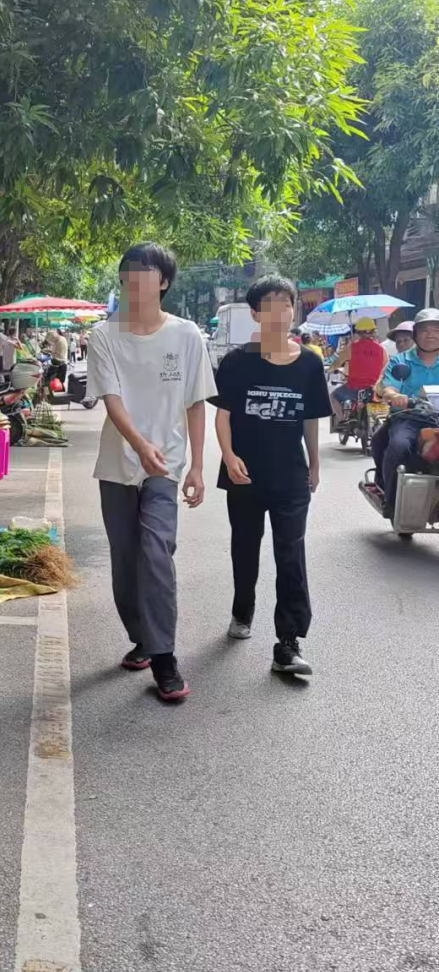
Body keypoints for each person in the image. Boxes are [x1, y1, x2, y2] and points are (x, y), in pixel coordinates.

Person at [86, 242, 215, 703]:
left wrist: (197, 465)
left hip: (166, 464)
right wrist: (139, 445)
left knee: (156, 550)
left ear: (163, 281)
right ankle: (142, 637)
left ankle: (164, 657)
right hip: (118, 463)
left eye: (146, 272)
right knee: (125, 559)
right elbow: (112, 399)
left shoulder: (187, 335)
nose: (135, 280)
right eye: (128, 273)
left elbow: (195, 402)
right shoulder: (104, 335)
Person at [213, 276, 330, 680]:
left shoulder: (310, 363)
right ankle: (242, 608)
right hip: (244, 474)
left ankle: (288, 642)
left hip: (290, 477)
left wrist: (314, 464)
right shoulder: (237, 362)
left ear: (294, 310)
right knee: (245, 548)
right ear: (255, 313)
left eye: (286, 304)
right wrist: (228, 456)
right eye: (271, 305)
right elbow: (223, 414)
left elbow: (311, 419)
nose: (280, 312)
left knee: (291, 555)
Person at [372, 308, 439, 513]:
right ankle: (391, 499)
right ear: (416, 334)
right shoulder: (400, 361)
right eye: (425, 330)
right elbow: (388, 388)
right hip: (409, 418)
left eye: (436, 329)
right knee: (399, 445)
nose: (431, 335)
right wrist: (395, 396)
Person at [329, 318, 386, 425]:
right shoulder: (382, 349)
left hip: (354, 387)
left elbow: (337, 363)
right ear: (373, 331)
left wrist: (330, 369)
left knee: (333, 396)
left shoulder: (351, 347)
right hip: (374, 388)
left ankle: (342, 420)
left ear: (358, 333)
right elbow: (385, 367)